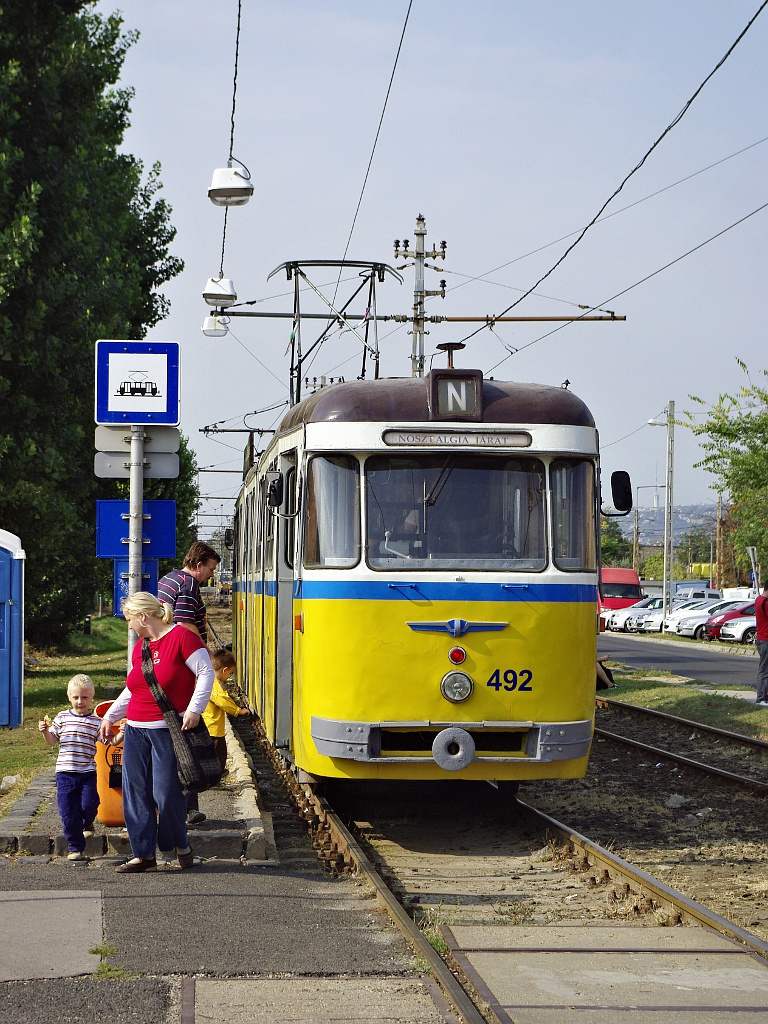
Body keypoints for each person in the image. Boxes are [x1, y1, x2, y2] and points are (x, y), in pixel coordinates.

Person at [99, 592, 214, 873]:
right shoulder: (141, 647)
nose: (128, 626)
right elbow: (135, 687)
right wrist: (112, 714)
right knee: (135, 792)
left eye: (128, 619)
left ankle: (179, 845)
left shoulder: (182, 638)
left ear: (142, 616)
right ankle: (144, 855)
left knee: (166, 793)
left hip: (168, 730)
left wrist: (195, 709)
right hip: (136, 729)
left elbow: (206, 672)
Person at [39, 674, 101, 860]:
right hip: (65, 773)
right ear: (69, 696)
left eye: (84, 697)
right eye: (76, 697)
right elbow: (51, 741)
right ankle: (75, 847)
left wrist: (120, 735)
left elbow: (108, 740)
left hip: (88, 772)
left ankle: (87, 822)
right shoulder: (62, 718)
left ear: (91, 697)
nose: (80, 701)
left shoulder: (96, 721)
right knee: (67, 811)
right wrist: (44, 732)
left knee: (90, 804)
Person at [157, 541, 221, 646]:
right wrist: (206, 652)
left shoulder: (168, 577)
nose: (212, 574)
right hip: (178, 650)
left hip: (165, 645)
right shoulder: (188, 584)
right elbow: (185, 624)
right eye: (211, 569)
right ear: (199, 565)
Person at [203, 649, 250, 775]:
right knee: (218, 751)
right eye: (230, 673)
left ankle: (213, 773)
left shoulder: (206, 678)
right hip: (213, 727)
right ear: (224, 670)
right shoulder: (215, 684)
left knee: (212, 752)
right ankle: (215, 775)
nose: (229, 676)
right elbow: (223, 701)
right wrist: (238, 711)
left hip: (208, 724)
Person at [755, 582, 768, 706]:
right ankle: (761, 698)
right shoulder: (765, 603)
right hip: (765, 639)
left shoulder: (758, 600)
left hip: (761, 638)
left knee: (765, 670)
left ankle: (763, 696)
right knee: (764, 670)